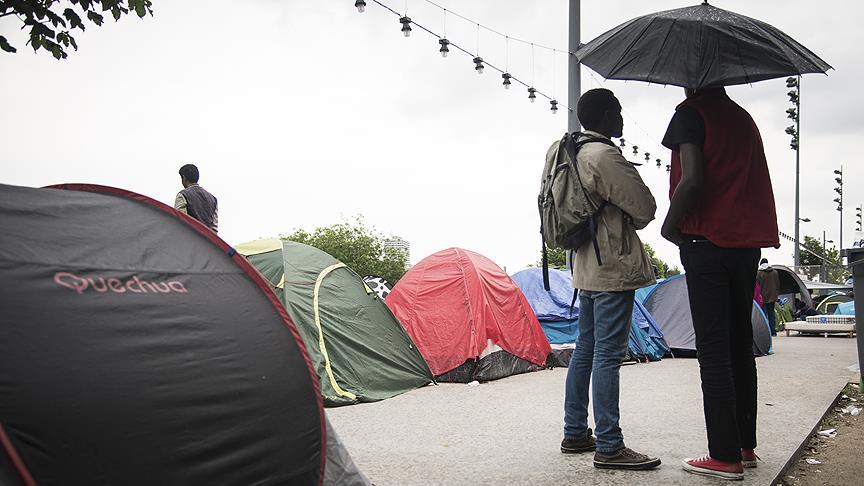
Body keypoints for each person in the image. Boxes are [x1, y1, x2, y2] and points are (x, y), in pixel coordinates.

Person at [660, 87, 779, 480]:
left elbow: (691, 180)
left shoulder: (691, 113)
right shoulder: (743, 118)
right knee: (739, 346)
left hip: (706, 243)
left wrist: (669, 225)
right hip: (745, 246)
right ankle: (745, 446)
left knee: (712, 350)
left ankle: (723, 455)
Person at [561, 88, 661, 471]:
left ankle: (574, 432)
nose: (621, 118)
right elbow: (645, 207)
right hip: (612, 266)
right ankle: (609, 444)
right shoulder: (604, 155)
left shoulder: (572, 152)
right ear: (603, 116)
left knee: (585, 349)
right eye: (617, 111)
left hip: (584, 266)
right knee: (606, 354)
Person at [174, 164, 218, 232]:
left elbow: (179, 222)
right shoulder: (213, 199)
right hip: (205, 241)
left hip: (189, 239)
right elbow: (214, 229)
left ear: (184, 178)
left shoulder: (183, 195)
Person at [756, 259, 780, 336]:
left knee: (764, 315)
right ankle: (773, 332)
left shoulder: (759, 273)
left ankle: (765, 333)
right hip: (773, 297)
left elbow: (757, 286)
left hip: (763, 297)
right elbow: (777, 284)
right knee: (771, 315)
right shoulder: (775, 272)